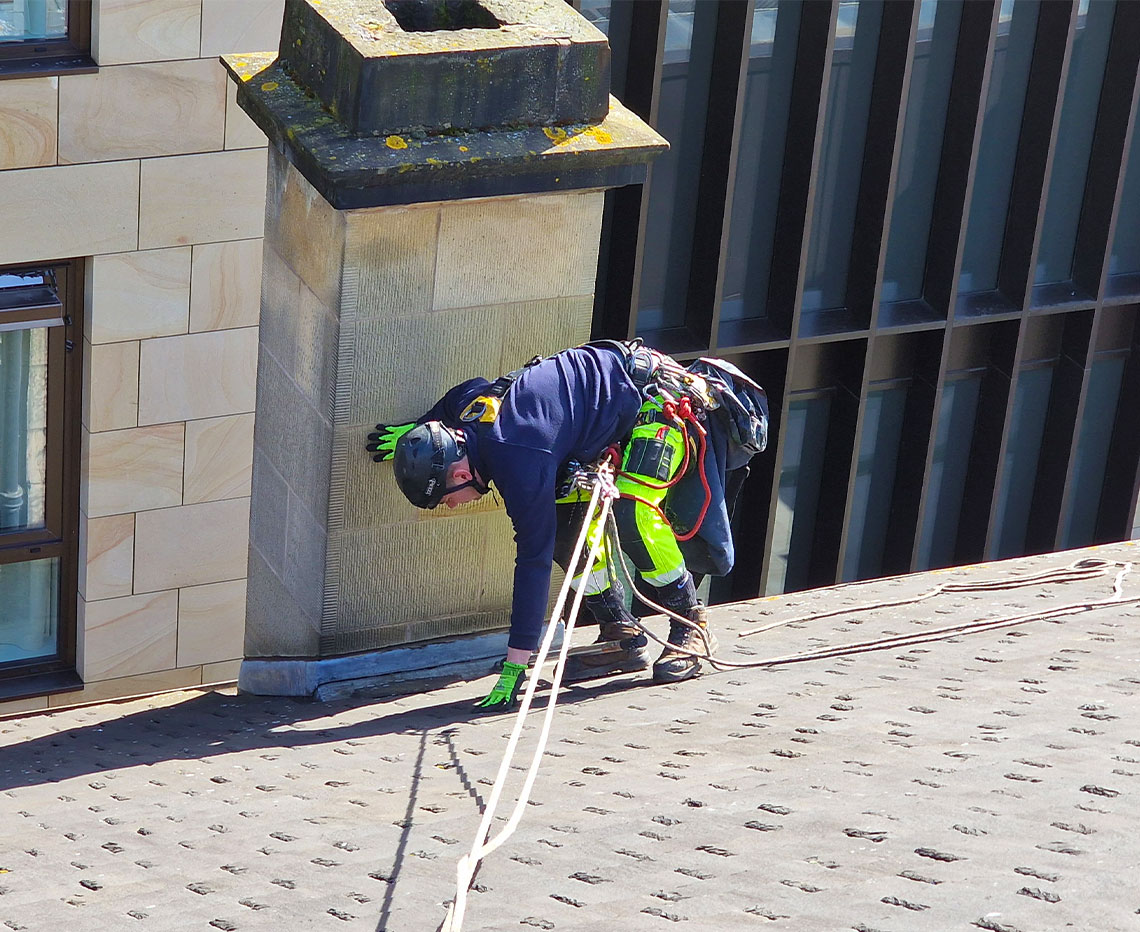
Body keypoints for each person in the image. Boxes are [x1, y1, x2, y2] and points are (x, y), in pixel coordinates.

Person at [367, 341, 767, 712]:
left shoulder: (517, 460)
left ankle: (690, 625)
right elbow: (461, 395)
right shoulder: (471, 413)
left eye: (445, 499)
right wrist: (417, 433)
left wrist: (516, 664)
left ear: (457, 474)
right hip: (603, 418)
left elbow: (533, 563)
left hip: (655, 404)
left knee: (633, 512)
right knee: (566, 530)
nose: (450, 507)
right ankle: (620, 633)